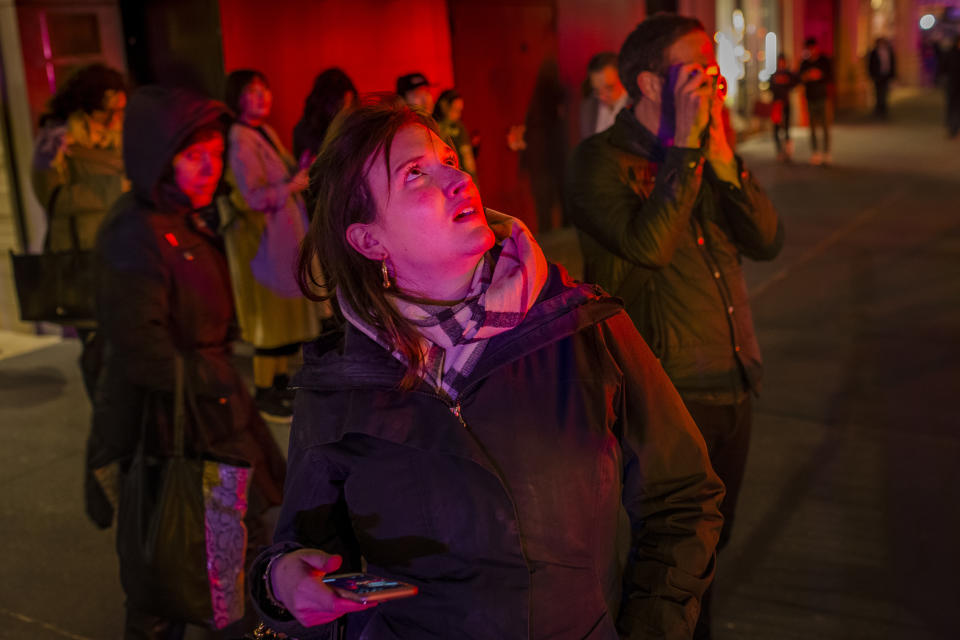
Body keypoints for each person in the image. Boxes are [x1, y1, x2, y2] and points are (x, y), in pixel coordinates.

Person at [247, 95, 724, 639]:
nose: (458, 179)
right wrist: (281, 583)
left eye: (449, 160)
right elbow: (299, 553)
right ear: (369, 240)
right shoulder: (338, 386)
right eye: (415, 174)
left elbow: (683, 497)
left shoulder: (584, 327)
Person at [565, 15, 784, 639]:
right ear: (650, 83)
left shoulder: (704, 151)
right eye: (697, 71)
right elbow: (650, 246)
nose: (713, 83)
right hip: (667, 390)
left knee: (708, 553)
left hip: (734, 376)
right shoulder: (597, 162)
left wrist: (720, 161)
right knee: (664, 561)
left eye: (713, 69)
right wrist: (688, 149)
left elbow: (767, 240)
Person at [90, 85, 286, 639]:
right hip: (174, 430)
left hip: (212, 414)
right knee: (174, 574)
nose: (210, 168)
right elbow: (140, 348)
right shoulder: (136, 233)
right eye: (193, 155)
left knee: (206, 566)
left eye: (216, 154)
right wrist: (216, 379)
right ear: (158, 155)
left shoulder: (182, 217)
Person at [223, 70, 325, 422]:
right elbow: (250, 196)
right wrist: (293, 185)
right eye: (253, 91)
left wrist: (297, 174)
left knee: (284, 319)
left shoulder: (262, 131)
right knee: (271, 322)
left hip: (280, 240)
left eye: (265, 89)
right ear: (237, 97)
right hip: (262, 244)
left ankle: (280, 385)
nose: (263, 97)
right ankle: (265, 393)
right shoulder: (240, 138)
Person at [31, 63, 128, 398]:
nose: (116, 109)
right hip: (82, 252)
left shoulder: (121, 135)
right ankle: (105, 412)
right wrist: (110, 189)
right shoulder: (57, 136)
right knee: (96, 341)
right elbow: (51, 197)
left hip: (122, 245)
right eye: (109, 98)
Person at [292, 67, 358, 169]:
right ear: (327, 104)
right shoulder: (306, 132)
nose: (348, 112)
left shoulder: (355, 125)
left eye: (351, 104)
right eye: (342, 105)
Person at [798, 36, 834, 165]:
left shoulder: (824, 61)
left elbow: (830, 76)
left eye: (813, 48)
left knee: (825, 126)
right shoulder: (805, 63)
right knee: (812, 127)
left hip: (822, 97)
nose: (812, 51)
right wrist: (808, 76)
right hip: (810, 97)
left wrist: (819, 75)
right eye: (809, 48)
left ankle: (826, 152)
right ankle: (815, 152)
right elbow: (799, 78)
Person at [580, 52, 629, 141]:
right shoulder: (588, 107)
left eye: (609, 88)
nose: (602, 97)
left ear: (623, 77)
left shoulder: (639, 106)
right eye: (597, 91)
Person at [432, 88, 478, 178]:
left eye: (459, 111)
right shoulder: (431, 126)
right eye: (455, 110)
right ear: (443, 105)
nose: (458, 115)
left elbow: (467, 159)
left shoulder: (458, 128)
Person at [769, 54, 799, 162]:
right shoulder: (774, 75)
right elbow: (770, 87)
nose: (781, 64)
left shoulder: (788, 74)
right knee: (776, 129)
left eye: (783, 62)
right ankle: (779, 151)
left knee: (786, 128)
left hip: (786, 104)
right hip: (777, 104)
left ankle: (788, 150)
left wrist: (786, 80)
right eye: (780, 62)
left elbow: (796, 81)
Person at [867, 37, 897, 119]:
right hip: (877, 76)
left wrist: (893, 75)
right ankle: (878, 108)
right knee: (878, 92)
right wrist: (871, 75)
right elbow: (870, 64)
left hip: (886, 75)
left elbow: (893, 64)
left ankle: (883, 108)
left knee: (885, 92)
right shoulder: (874, 52)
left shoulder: (889, 52)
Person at [944, 36, 960, 138]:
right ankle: (952, 128)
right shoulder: (951, 54)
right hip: (953, 85)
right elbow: (944, 68)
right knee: (953, 107)